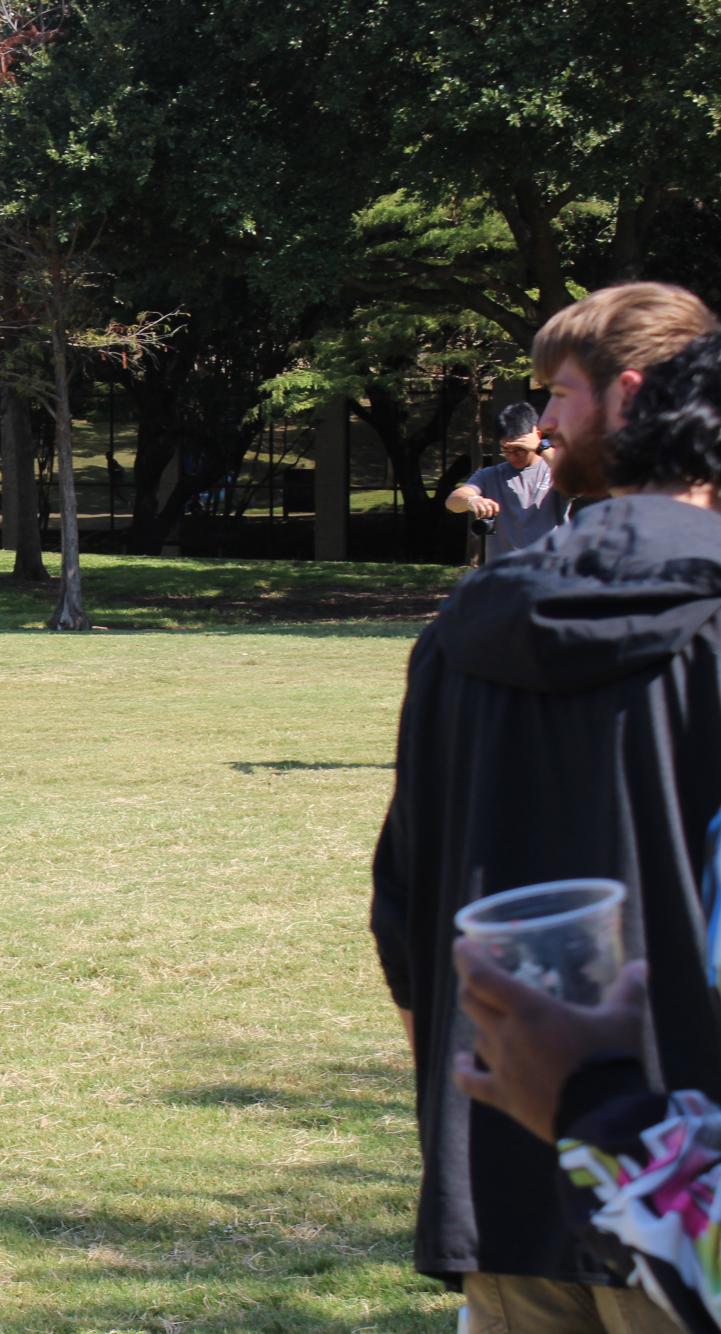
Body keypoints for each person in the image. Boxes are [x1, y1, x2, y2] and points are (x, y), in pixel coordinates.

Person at [370, 283, 720, 1332]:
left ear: (626, 396)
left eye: (553, 394)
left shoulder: (458, 630)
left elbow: (403, 911)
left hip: (507, 1165)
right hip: (687, 1194)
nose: (542, 422)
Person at [446, 401, 566, 556]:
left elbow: (579, 483)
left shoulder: (554, 469)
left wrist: (541, 447)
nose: (513, 456)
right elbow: (452, 502)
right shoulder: (491, 475)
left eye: (519, 449)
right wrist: (472, 500)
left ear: (536, 435)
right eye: (506, 450)